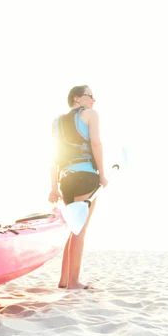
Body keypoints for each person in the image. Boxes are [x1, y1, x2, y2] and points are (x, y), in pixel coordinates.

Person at [48, 85, 108, 289]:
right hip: (86, 176)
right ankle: (73, 281)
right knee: (80, 230)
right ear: (77, 99)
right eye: (90, 95)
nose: (93, 100)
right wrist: (102, 174)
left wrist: (53, 187)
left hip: (66, 180)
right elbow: (96, 144)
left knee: (73, 228)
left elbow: (54, 156)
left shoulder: (57, 122)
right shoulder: (91, 115)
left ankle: (64, 280)